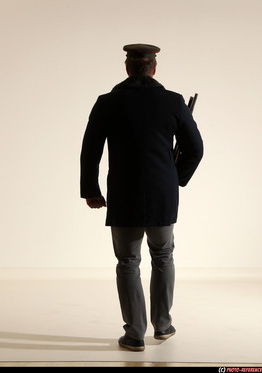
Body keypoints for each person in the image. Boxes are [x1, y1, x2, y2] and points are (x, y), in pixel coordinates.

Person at [80, 43, 203, 352]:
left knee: (127, 262)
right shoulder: (174, 102)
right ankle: (162, 326)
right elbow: (196, 149)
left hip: (123, 193)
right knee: (163, 256)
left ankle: (134, 334)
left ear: (127, 68)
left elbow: (90, 151)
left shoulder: (107, 102)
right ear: (154, 68)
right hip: (163, 194)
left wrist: (91, 191)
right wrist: (177, 178)